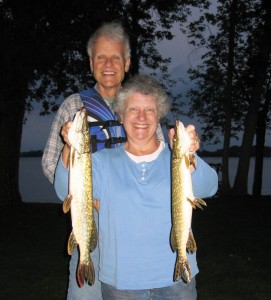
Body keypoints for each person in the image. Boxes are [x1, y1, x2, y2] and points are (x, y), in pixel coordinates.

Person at [54, 74, 218, 300]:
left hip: (177, 280)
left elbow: (209, 187)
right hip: (122, 284)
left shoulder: (176, 160)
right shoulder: (102, 161)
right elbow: (65, 191)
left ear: (159, 115)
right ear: (121, 116)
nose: (141, 117)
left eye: (149, 110)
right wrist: (68, 147)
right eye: (133, 109)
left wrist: (190, 155)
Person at [42, 22, 164, 300]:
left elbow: (159, 162)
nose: (108, 64)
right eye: (100, 57)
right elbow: (50, 165)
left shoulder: (141, 106)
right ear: (90, 63)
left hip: (134, 225)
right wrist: (84, 195)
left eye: (116, 57)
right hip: (89, 222)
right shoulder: (74, 106)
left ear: (127, 62)